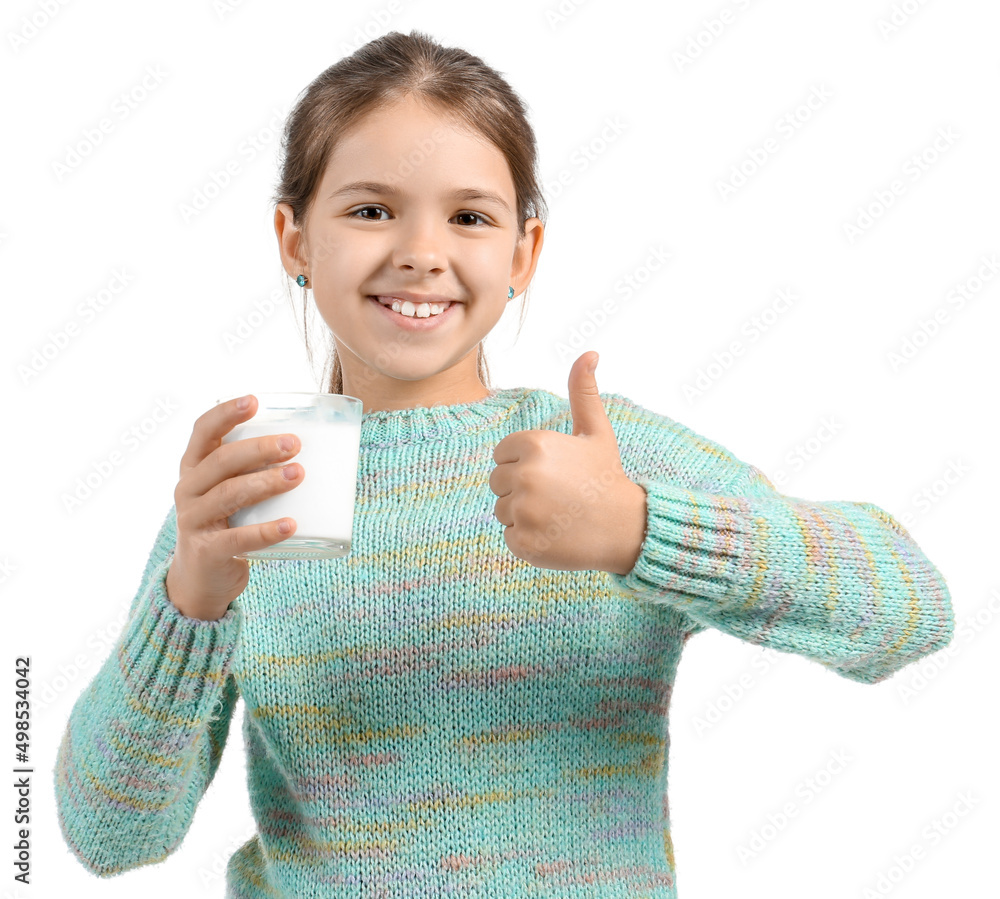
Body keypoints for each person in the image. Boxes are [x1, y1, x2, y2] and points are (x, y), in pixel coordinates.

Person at [52, 29, 955, 899]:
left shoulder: (596, 459)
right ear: (295, 238)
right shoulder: (249, 491)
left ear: (522, 251)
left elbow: (911, 607)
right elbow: (109, 836)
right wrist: (189, 605)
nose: (420, 252)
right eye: (371, 210)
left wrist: (643, 531)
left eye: (470, 217)